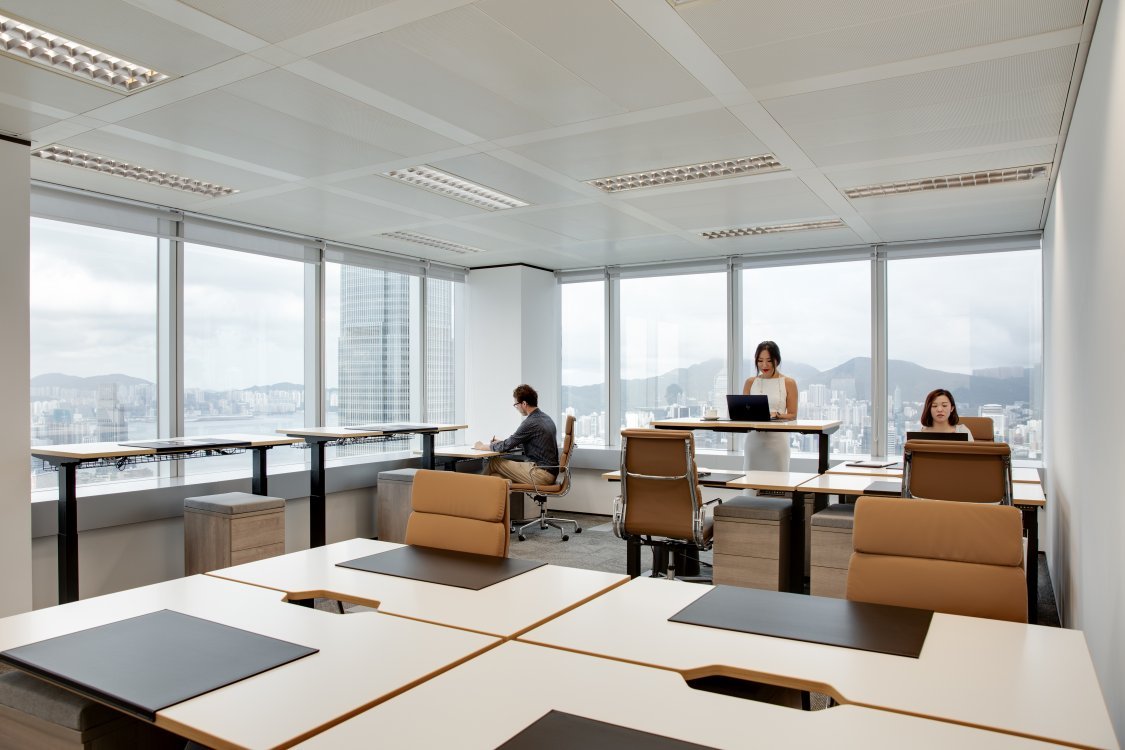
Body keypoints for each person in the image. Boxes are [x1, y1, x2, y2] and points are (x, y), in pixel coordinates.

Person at [474, 384, 559, 485]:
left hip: (541, 474)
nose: (516, 407)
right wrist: (503, 442)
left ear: (524, 403)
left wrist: (481, 446)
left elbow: (506, 446)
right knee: (497, 477)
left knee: (493, 462)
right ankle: (487, 493)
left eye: (516, 404)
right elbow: (531, 444)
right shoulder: (546, 418)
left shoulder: (530, 422)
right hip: (549, 472)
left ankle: (475, 489)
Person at [742, 341, 798, 472]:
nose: (764, 365)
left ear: (777, 360)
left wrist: (776, 415)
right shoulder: (750, 382)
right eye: (760, 361)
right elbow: (744, 411)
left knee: (778, 481)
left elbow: (792, 414)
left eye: (769, 360)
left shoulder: (788, 382)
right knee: (751, 480)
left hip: (777, 442)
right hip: (754, 441)